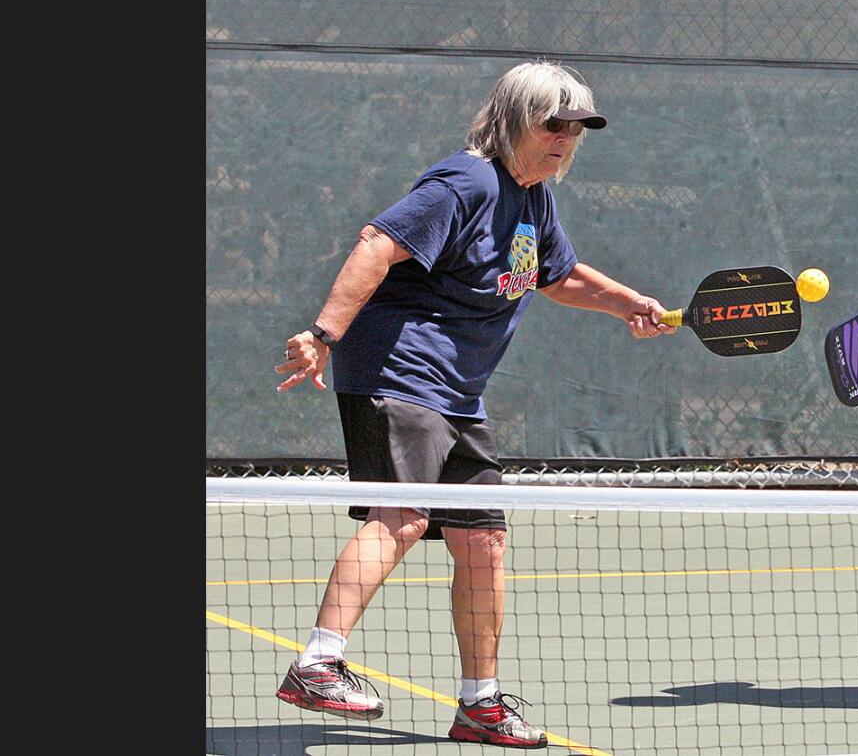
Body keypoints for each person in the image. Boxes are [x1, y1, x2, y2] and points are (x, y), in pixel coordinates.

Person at [272, 61, 676, 748]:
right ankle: (316, 663)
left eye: (576, 129)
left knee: (483, 540)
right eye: (553, 124)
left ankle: (479, 705)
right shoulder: (465, 182)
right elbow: (377, 243)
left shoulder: (534, 197)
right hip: (398, 371)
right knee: (401, 516)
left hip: (458, 392)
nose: (565, 139)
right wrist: (323, 334)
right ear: (515, 119)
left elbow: (557, 274)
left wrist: (626, 302)